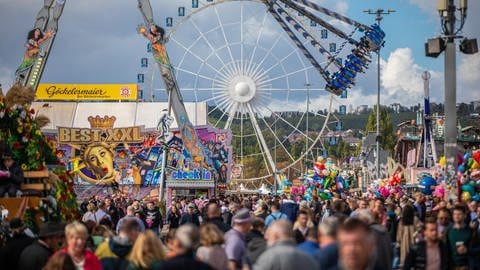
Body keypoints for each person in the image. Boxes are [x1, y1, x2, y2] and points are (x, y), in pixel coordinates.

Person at [253, 220, 319, 270]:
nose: (266, 237)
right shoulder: (307, 257)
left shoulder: (269, 257)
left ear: (276, 236)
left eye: (269, 235)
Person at [445, 204, 473, 269]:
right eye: (455, 214)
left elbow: (477, 249)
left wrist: (467, 250)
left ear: (464, 216)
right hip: (452, 266)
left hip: (467, 266)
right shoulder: (448, 231)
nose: (456, 216)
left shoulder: (471, 232)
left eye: (459, 214)